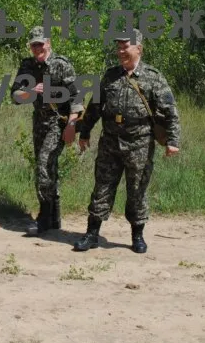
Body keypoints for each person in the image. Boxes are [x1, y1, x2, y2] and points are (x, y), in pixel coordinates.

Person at [73, 30, 180, 253]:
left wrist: (173, 140)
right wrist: (84, 133)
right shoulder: (110, 75)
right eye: (118, 47)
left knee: (137, 191)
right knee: (101, 187)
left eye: (125, 47)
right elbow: (95, 106)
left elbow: (170, 111)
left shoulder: (153, 77)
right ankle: (92, 234)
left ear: (138, 49)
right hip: (110, 143)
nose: (121, 51)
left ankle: (137, 236)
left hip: (139, 144)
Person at [10, 26, 84, 236]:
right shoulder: (27, 66)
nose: (37, 48)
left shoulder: (61, 65)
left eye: (40, 44)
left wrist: (71, 126)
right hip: (39, 122)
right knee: (46, 167)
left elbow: (77, 97)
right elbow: (14, 96)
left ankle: (43, 217)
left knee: (44, 163)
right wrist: (30, 93)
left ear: (48, 43)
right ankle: (55, 217)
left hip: (59, 122)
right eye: (33, 44)